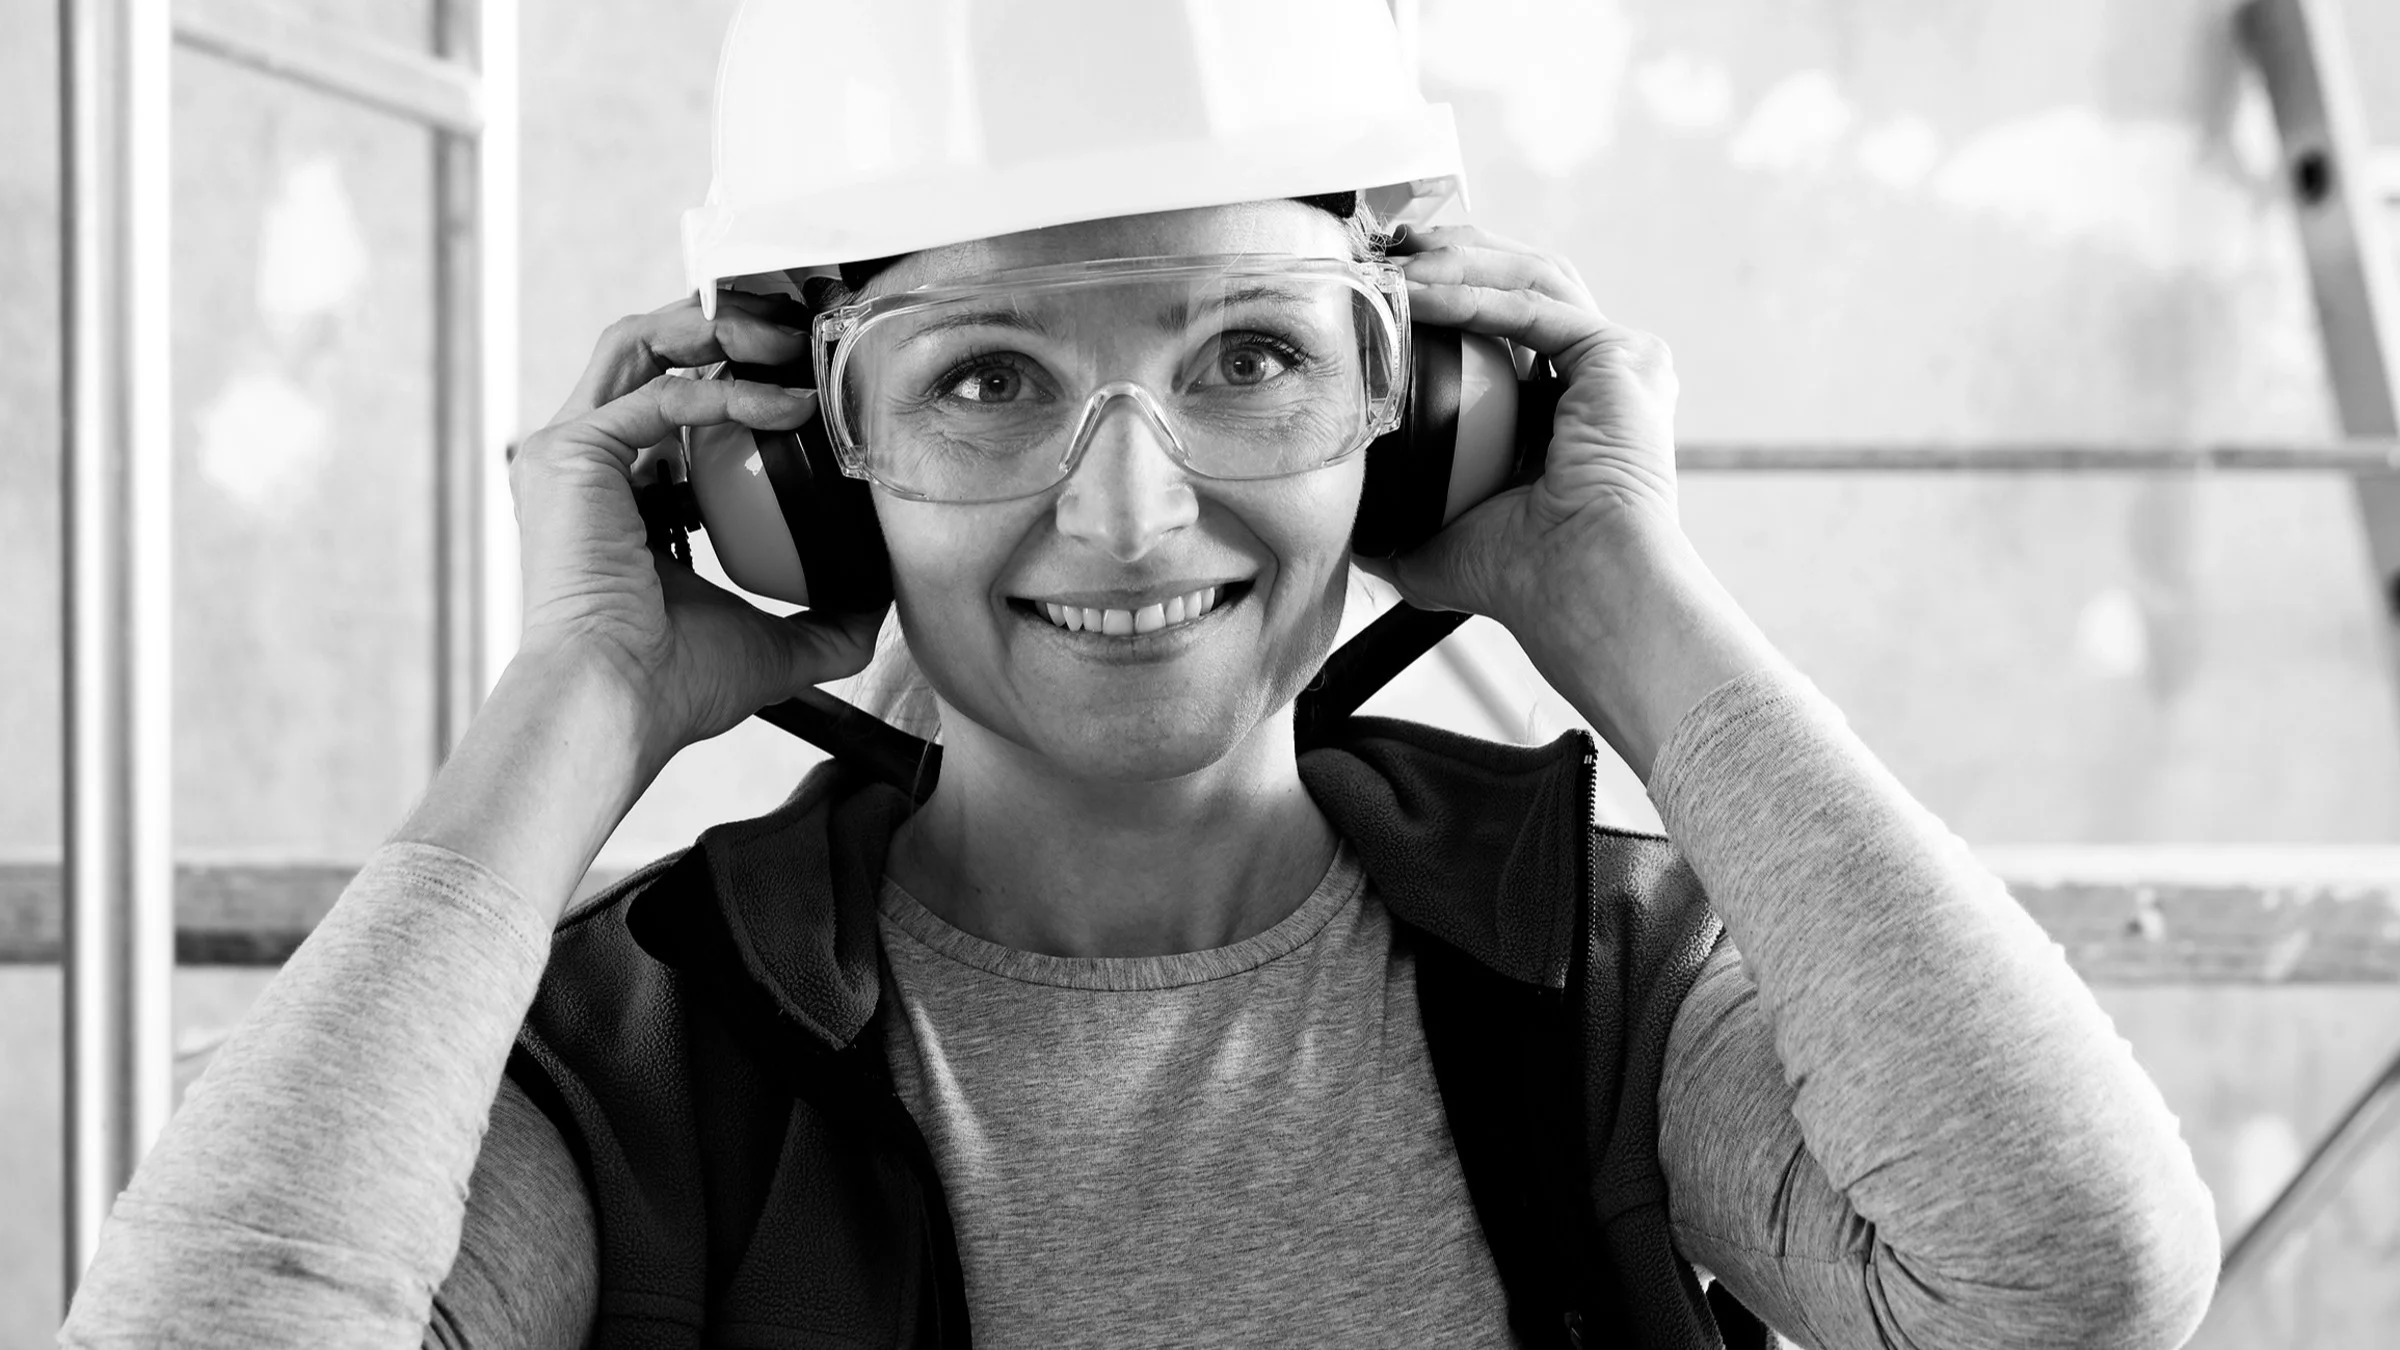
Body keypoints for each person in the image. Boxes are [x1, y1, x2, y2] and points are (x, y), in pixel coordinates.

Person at [61, 3, 2220, 1347]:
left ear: (1428, 407)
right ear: (798, 469)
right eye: (988, 377)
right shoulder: (644, 1066)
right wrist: (580, 703)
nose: (1129, 514)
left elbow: (2065, 1283)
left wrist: (1615, 585)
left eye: (1255, 356)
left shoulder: (1597, 980)